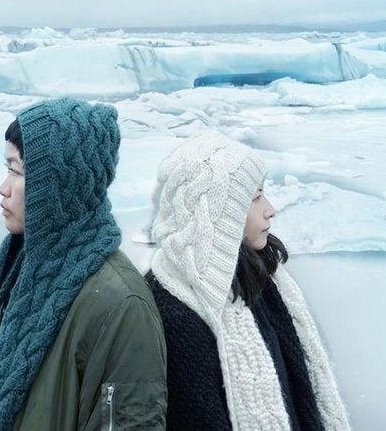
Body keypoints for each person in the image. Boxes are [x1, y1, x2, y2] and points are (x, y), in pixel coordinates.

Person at [0, 97, 167, 431]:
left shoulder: (121, 305)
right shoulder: (14, 274)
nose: (3, 188)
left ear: (57, 185)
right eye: (7, 168)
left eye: (17, 171)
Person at [146, 132, 351, 431]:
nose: (270, 208)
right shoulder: (177, 315)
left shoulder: (260, 279)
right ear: (219, 214)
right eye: (255, 198)